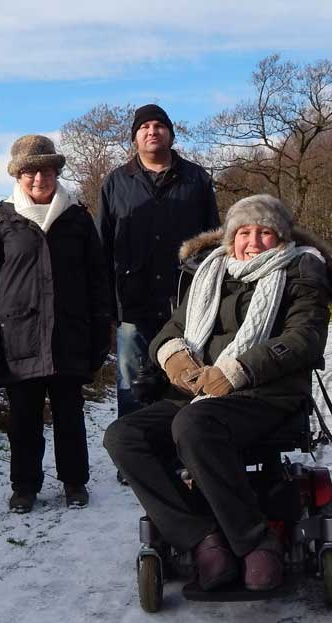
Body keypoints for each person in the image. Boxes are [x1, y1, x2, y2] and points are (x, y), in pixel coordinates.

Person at [103, 194, 332, 592]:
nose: (253, 242)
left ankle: (255, 541)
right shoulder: (210, 273)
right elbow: (171, 330)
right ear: (230, 238)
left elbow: (304, 338)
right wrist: (174, 357)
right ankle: (201, 538)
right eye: (244, 232)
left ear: (282, 238)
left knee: (194, 425)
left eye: (265, 232)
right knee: (124, 436)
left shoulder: (301, 273)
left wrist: (239, 370)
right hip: (198, 397)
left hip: (267, 396)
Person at [0, 135, 113, 514]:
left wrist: (102, 324)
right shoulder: (0, 218)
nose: (39, 178)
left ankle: (74, 483)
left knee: (70, 413)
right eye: (31, 171)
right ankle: (25, 486)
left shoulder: (77, 217)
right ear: (18, 176)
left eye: (47, 170)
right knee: (23, 418)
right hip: (19, 334)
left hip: (69, 332)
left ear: (57, 172)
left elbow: (98, 277)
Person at [96, 104, 221, 422]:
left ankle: (182, 456)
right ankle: (135, 462)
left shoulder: (196, 179)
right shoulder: (115, 183)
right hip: (133, 304)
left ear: (171, 134)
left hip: (187, 303)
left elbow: (214, 242)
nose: (152, 131)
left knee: (186, 379)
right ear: (135, 138)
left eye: (159, 125)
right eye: (144, 127)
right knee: (132, 384)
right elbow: (103, 246)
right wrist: (108, 305)